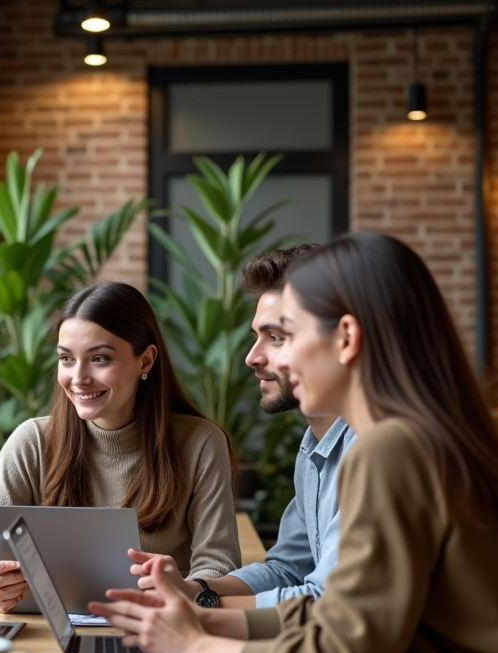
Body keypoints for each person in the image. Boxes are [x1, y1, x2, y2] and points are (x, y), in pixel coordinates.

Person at [92, 232, 498, 653]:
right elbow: (343, 617)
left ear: (346, 337)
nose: (271, 358)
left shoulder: (391, 448)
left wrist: (194, 646)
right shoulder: (421, 436)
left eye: (287, 335)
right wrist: (203, 618)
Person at [0, 280, 241, 612]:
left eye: (99, 359)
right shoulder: (33, 442)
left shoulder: (200, 443)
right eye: (66, 359)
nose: (78, 377)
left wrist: (182, 592)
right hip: (50, 634)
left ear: (145, 361)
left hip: (159, 628)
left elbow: (219, 566)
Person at [127, 244, 356, 610]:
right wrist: (192, 588)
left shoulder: (370, 449)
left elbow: (324, 602)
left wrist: (201, 608)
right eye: (256, 336)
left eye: (276, 337)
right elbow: (285, 570)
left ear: (342, 339)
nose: (253, 357)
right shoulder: (314, 445)